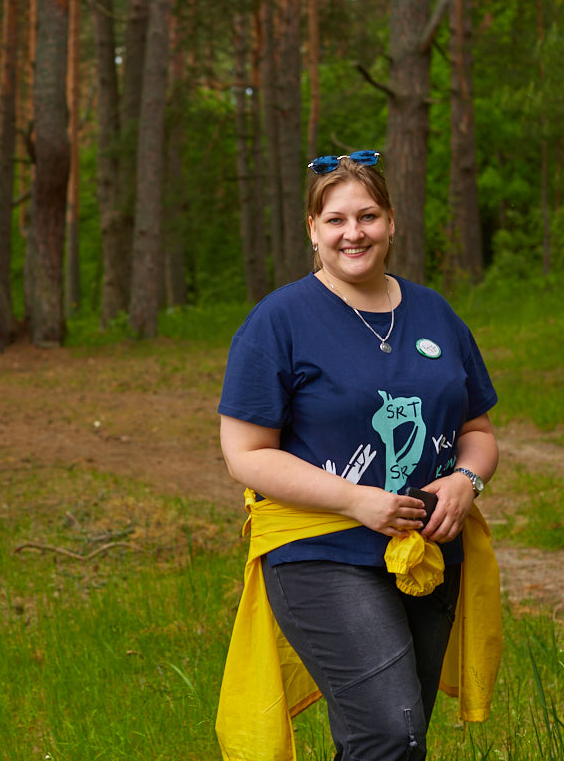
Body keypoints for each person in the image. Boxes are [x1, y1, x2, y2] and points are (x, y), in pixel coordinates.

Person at [214, 151, 500, 760]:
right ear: (312, 229)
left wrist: (467, 479)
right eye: (336, 219)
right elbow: (245, 454)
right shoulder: (279, 321)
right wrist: (355, 499)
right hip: (322, 548)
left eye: (367, 216)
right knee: (389, 732)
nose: (354, 233)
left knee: (399, 736)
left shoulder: (435, 313)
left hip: (426, 547)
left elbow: (477, 428)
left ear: (391, 221)